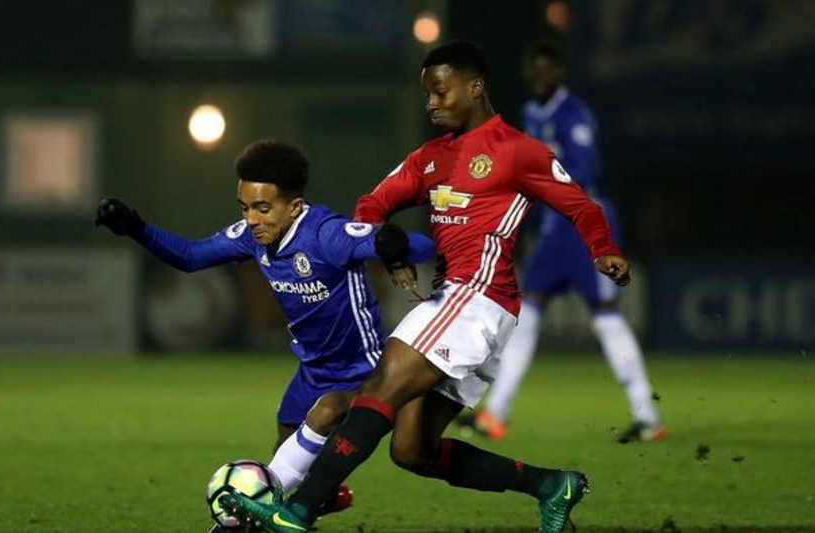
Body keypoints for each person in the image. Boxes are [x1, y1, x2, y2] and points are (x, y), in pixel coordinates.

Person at [219, 41, 630, 533]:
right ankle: (551, 485)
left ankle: (298, 510)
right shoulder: (430, 158)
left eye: (440, 91)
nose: (431, 104)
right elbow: (372, 205)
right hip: (462, 306)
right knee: (412, 450)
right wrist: (390, 251)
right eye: (427, 95)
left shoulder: (518, 151)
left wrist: (603, 248)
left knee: (380, 385)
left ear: (475, 87)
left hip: (475, 297)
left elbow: (579, 204)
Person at [94, 139, 435, 526]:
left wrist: (394, 247)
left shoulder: (326, 235)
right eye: (245, 207)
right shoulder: (251, 236)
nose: (252, 219)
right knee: (284, 459)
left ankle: (255, 516)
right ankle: (317, 499)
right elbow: (191, 256)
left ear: (294, 207)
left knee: (328, 423)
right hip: (312, 371)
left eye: (262, 208)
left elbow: (421, 246)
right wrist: (136, 228)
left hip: (365, 370)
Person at [458, 42, 665, 444]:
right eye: (532, 70)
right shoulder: (532, 113)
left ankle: (647, 417)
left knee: (605, 316)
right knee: (525, 315)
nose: (538, 77)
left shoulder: (574, 114)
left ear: (558, 73)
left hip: (584, 223)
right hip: (555, 230)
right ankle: (495, 415)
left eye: (545, 70)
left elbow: (583, 173)